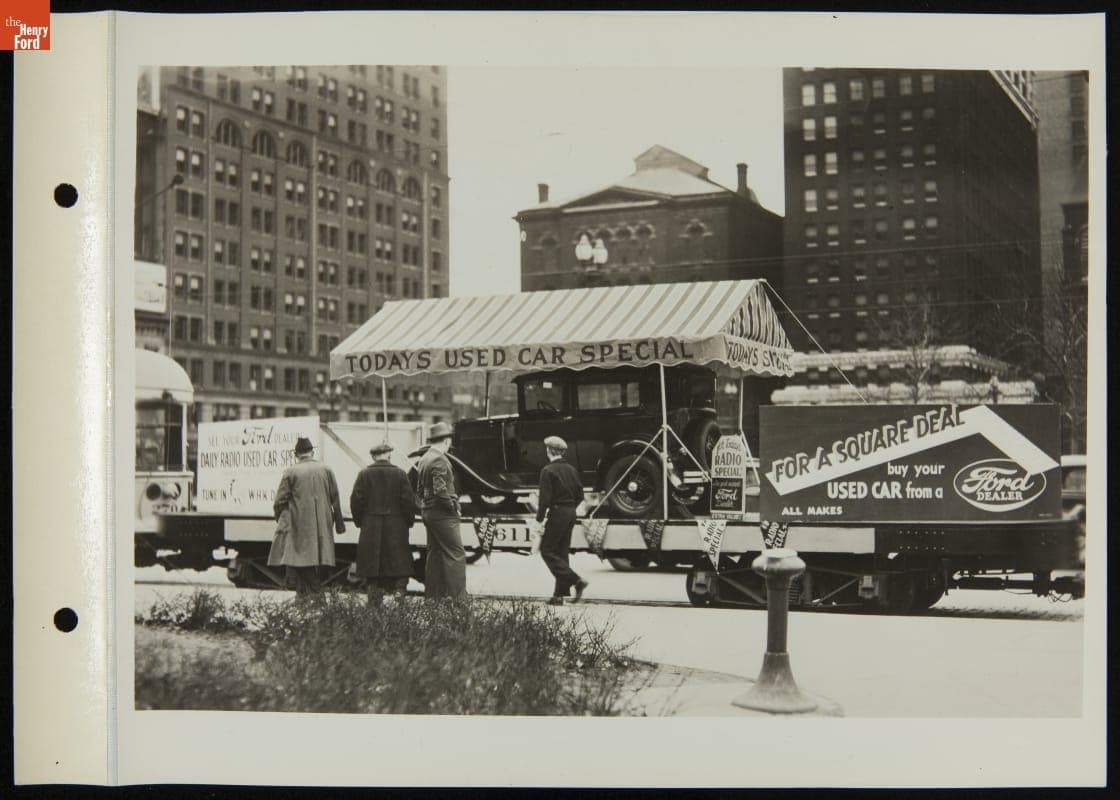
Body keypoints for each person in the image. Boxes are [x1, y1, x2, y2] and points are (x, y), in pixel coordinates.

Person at [268, 436, 346, 596]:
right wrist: (339, 524)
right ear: (311, 452)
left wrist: (280, 518)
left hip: (299, 524)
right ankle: (303, 600)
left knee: (299, 561)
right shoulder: (326, 469)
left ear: (297, 454)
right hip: (323, 523)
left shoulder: (291, 471)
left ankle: (318, 597)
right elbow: (335, 498)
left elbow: (279, 500)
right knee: (312, 561)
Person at [349, 441, 419, 606]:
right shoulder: (400, 474)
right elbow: (408, 502)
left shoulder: (363, 475)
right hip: (396, 526)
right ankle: (399, 593)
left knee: (373, 566)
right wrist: (408, 522)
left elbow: (356, 502)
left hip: (371, 526)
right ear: (388, 455)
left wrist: (361, 522)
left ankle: (374, 603)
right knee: (400, 563)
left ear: (373, 457)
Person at [415, 421, 468, 600]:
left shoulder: (424, 457)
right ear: (445, 441)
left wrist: (427, 503)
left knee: (435, 554)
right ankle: (459, 599)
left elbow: (420, 489)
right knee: (456, 554)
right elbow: (440, 489)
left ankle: (433, 598)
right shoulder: (439, 459)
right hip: (443, 514)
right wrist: (453, 508)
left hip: (428, 511)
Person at [536, 435, 588, 606]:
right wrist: (569, 507)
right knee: (561, 553)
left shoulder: (547, 471)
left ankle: (576, 580)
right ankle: (558, 596)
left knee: (547, 551)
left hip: (557, 513)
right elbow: (580, 495)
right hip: (570, 512)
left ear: (549, 450)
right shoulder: (572, 470)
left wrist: (539, 520)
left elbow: (544, 500)